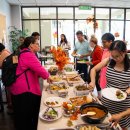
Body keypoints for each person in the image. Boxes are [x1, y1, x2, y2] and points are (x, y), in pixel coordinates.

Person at [9, 36, 50, 130]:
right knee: (27, 117)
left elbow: (31, 69)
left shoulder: (24, 52)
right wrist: (48, 76)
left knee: (23, 117)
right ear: (31, 45)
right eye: (37, 43)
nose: (39, 46)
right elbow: (40, 69)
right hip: (25, 90)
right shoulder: (28, 54)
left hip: (20, 89)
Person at [89, 40, 130, 130]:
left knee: (120, 127)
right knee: (105, 126)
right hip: (106, 103)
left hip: (122, 108)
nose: (115, 59)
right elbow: (93, 70)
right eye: (113, 56)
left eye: (117, 56)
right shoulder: (109, 60)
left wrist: (127, 91)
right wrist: (92, 82)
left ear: (125, 52)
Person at [0, 43, 11, 112]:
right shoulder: (7, 51)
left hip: (8, 75)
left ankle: (10, 105)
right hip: (9, 74)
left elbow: (0, 65)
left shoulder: (3, 53)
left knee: (8, 90)